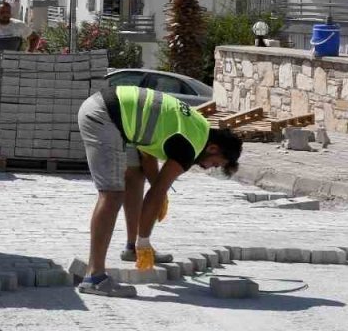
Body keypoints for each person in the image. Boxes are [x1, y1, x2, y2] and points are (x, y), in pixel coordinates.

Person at [75, 86, 243, 298]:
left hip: (114, 112)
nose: (210, 167)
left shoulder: (199, 125)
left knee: (135, 177)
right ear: (213, 149)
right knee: (112, 194)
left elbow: (148, 153)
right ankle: (95, 277)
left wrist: (158, 191)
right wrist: (145, 239)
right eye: (216, 164)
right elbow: (154, 195)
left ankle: (131, 248)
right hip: (105, 117)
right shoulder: (190, 147)